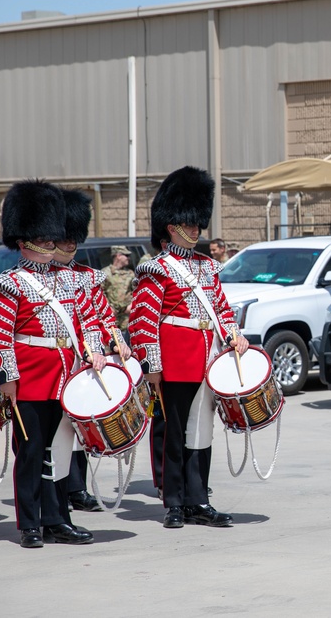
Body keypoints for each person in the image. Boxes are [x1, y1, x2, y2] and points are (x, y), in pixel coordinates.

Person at [0, 179, 106, 548]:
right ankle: (30, 524)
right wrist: (7, 377)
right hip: (30, 379)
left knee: (61, 453)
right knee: (32, 452)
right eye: (46, 238)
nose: (53, 244)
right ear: (25, 241)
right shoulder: (9, 284)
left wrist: (95, 349)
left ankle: (57, 519)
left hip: (65, 377)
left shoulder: (70, 280)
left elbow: (88, 321)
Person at [130, 166, 247, 529]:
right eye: (189, 224)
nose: (195, 230)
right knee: (175, 432)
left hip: (207, 357)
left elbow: (220, 307)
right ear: (172, 226)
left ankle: (199, 499)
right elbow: (143, 321)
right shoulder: (157, 269)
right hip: (176, 360)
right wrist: (152, 364)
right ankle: (174, 501)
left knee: (201, 433)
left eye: (198, 224)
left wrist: (234, 334)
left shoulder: (208, 267)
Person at [53, 188, 132, 513]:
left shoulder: (88, 277)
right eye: (65, 238)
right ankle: (60, 491)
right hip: (57, 362)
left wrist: (116, 340)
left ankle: (77, 489)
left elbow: (103, 317)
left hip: (86, 360)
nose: (71, 244)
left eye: (74, 238)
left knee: (80, 425)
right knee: (59, 431)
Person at [101, 245, 135, 336]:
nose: (129, 258)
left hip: (126, 317)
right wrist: (107, 307)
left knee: (127, 343)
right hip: (111, 316)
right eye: (126, 256)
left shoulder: (130, 274)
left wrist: (132, 305)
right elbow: (99, 293)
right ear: (118, 256)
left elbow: (137, 291)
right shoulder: (105, 273)